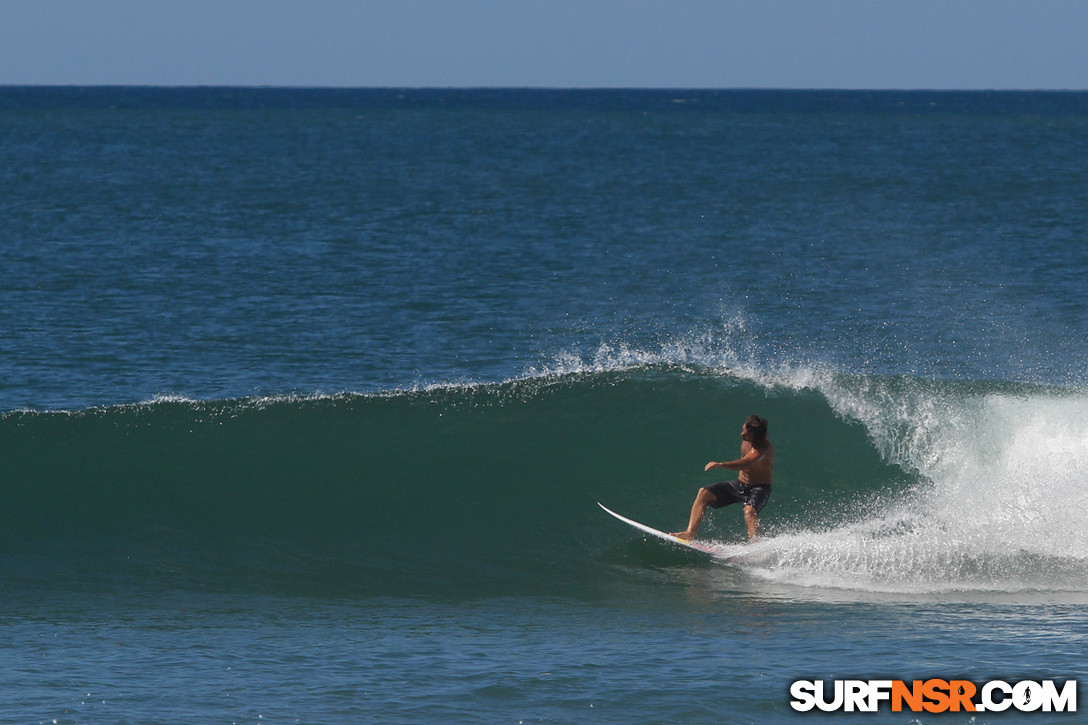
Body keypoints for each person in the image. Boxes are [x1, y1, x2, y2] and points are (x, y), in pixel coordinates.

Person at [672, 414, 774, 542]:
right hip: (740, 484)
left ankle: (758, 547)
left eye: (746, 433)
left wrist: (721, 465)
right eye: (743, 430)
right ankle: (689, 533)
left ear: (756, 436)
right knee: (704, 493)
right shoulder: (749, 438)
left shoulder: (762, 448)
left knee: (749, 512)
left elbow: (746, 463)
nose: (742, 435)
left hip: (760, 488)